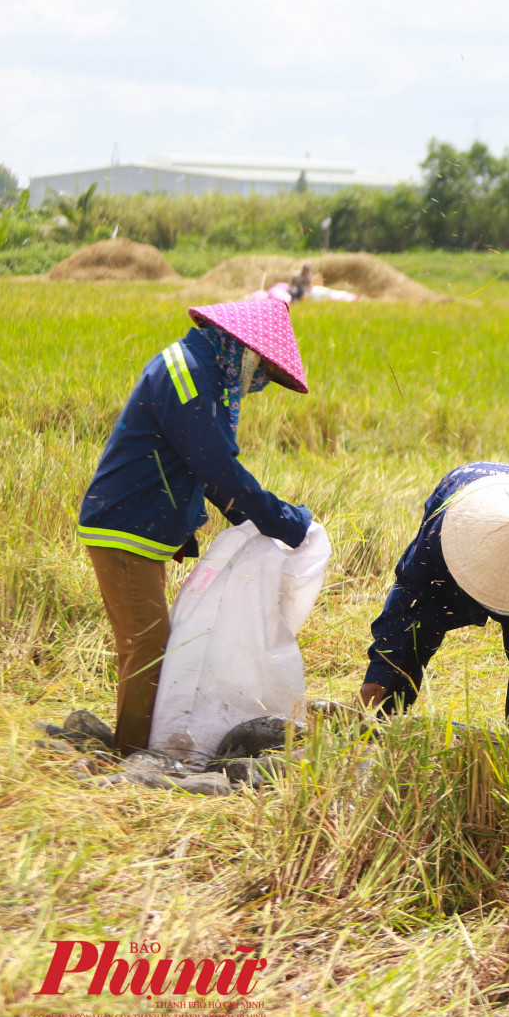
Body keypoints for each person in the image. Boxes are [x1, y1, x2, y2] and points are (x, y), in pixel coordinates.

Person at [77, 298, 314, 754]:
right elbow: (216, 470)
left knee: (147, 649)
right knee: (148, 652)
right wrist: (283, 522)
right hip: (123, 528)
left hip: (136, 527)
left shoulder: (197, 368)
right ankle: (131, 764)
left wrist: (253, 522)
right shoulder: (187, 378)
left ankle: (136, 752)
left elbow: (204, 468)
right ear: (243, 350)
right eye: (260, 370)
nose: (257, 382)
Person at [359, 462, 509, 758]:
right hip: (466, 515)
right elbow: (407, 600)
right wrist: (381, 667)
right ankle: (386, 732)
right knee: (419, 632)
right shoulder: (442, 537)